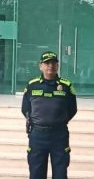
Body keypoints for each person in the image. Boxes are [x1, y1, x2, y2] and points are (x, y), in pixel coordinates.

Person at [21, 51, 77, 179]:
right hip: (37, 134)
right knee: (36, 173)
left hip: (59, 135)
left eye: (53, 63)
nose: (50, 66)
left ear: (57, 65)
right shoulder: (32, 85)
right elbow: (25, 108)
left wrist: (57, 121)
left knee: (60, 173)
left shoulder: (66, 86)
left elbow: (72, 109)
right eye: (46, 63)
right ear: (40, 66)